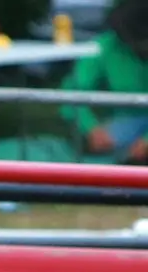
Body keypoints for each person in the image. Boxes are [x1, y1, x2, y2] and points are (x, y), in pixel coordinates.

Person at [59, 0, 148, 164]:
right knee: (102, 150)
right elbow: (71, 91)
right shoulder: (105, 47)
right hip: (127, 124)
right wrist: (91, 128)